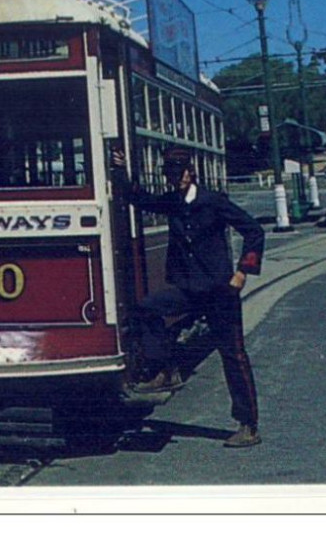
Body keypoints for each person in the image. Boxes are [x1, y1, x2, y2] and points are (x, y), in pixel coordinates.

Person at [111, 143, 265, 449]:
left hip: (220, 290)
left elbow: (254, 231)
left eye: (180, 171)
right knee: (147, 309)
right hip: (189, 289)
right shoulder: (172, 202)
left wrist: (242, 272)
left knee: (233, 355)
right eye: (170, 171)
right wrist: (119, 170)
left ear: (190, 172)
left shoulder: (213, 201)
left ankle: (248, 425)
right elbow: (138, 198)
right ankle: (166, 371)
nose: (176, 176)